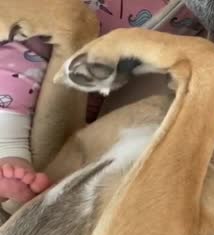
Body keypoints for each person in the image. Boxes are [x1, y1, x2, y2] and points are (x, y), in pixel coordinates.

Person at [0, 0, 202, 203]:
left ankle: (13, 153)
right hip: (44, 42)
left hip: (115, 76)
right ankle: (9, 149)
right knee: (16, 69)